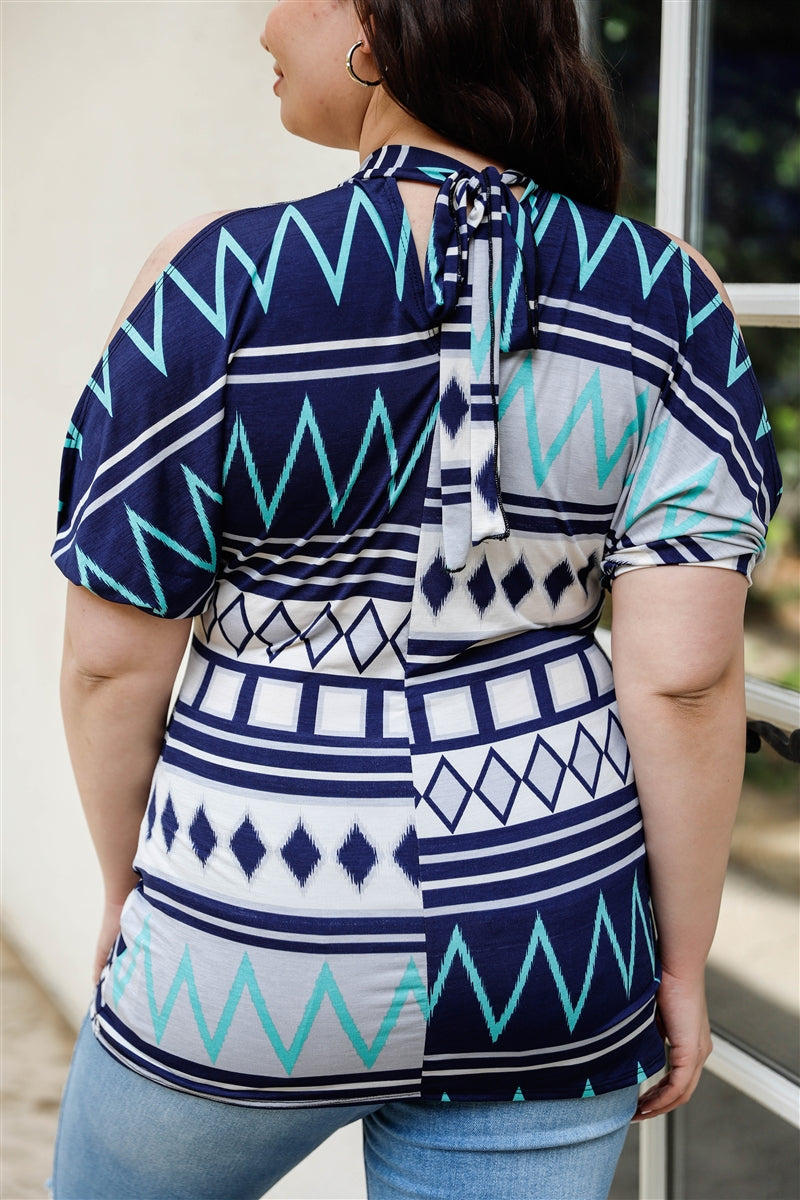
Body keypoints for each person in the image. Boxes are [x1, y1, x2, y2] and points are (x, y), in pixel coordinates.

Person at [50, 2, 781, 1198]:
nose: (266, 23)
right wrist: (679, 963)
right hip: (552, 937)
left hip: (246, 916)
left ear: (380, 35)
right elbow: (684, 675)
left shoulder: (219, 276)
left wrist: (131, 890)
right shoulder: (664, 298)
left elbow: (110, 662)